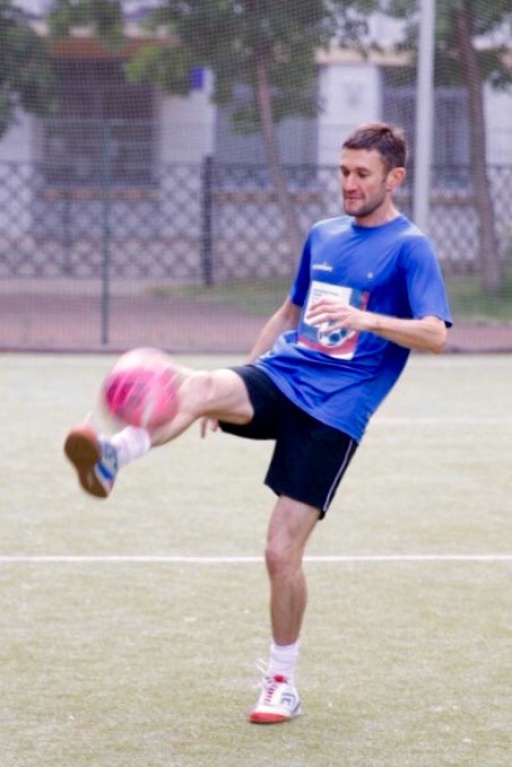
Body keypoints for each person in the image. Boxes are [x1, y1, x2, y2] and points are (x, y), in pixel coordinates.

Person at [64, 122, 452, 725]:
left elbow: (434, 335)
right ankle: (114, 456)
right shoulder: (324, 234)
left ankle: (281, 683)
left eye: (362, 174)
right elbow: (289, 313)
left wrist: (365, 319)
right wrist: (240, 381)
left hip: (335, 412)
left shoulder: (410, 248)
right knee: (200, 386)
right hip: (282, 376)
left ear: (394, 178)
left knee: (279, 553)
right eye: (343, 172)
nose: (349, 183)